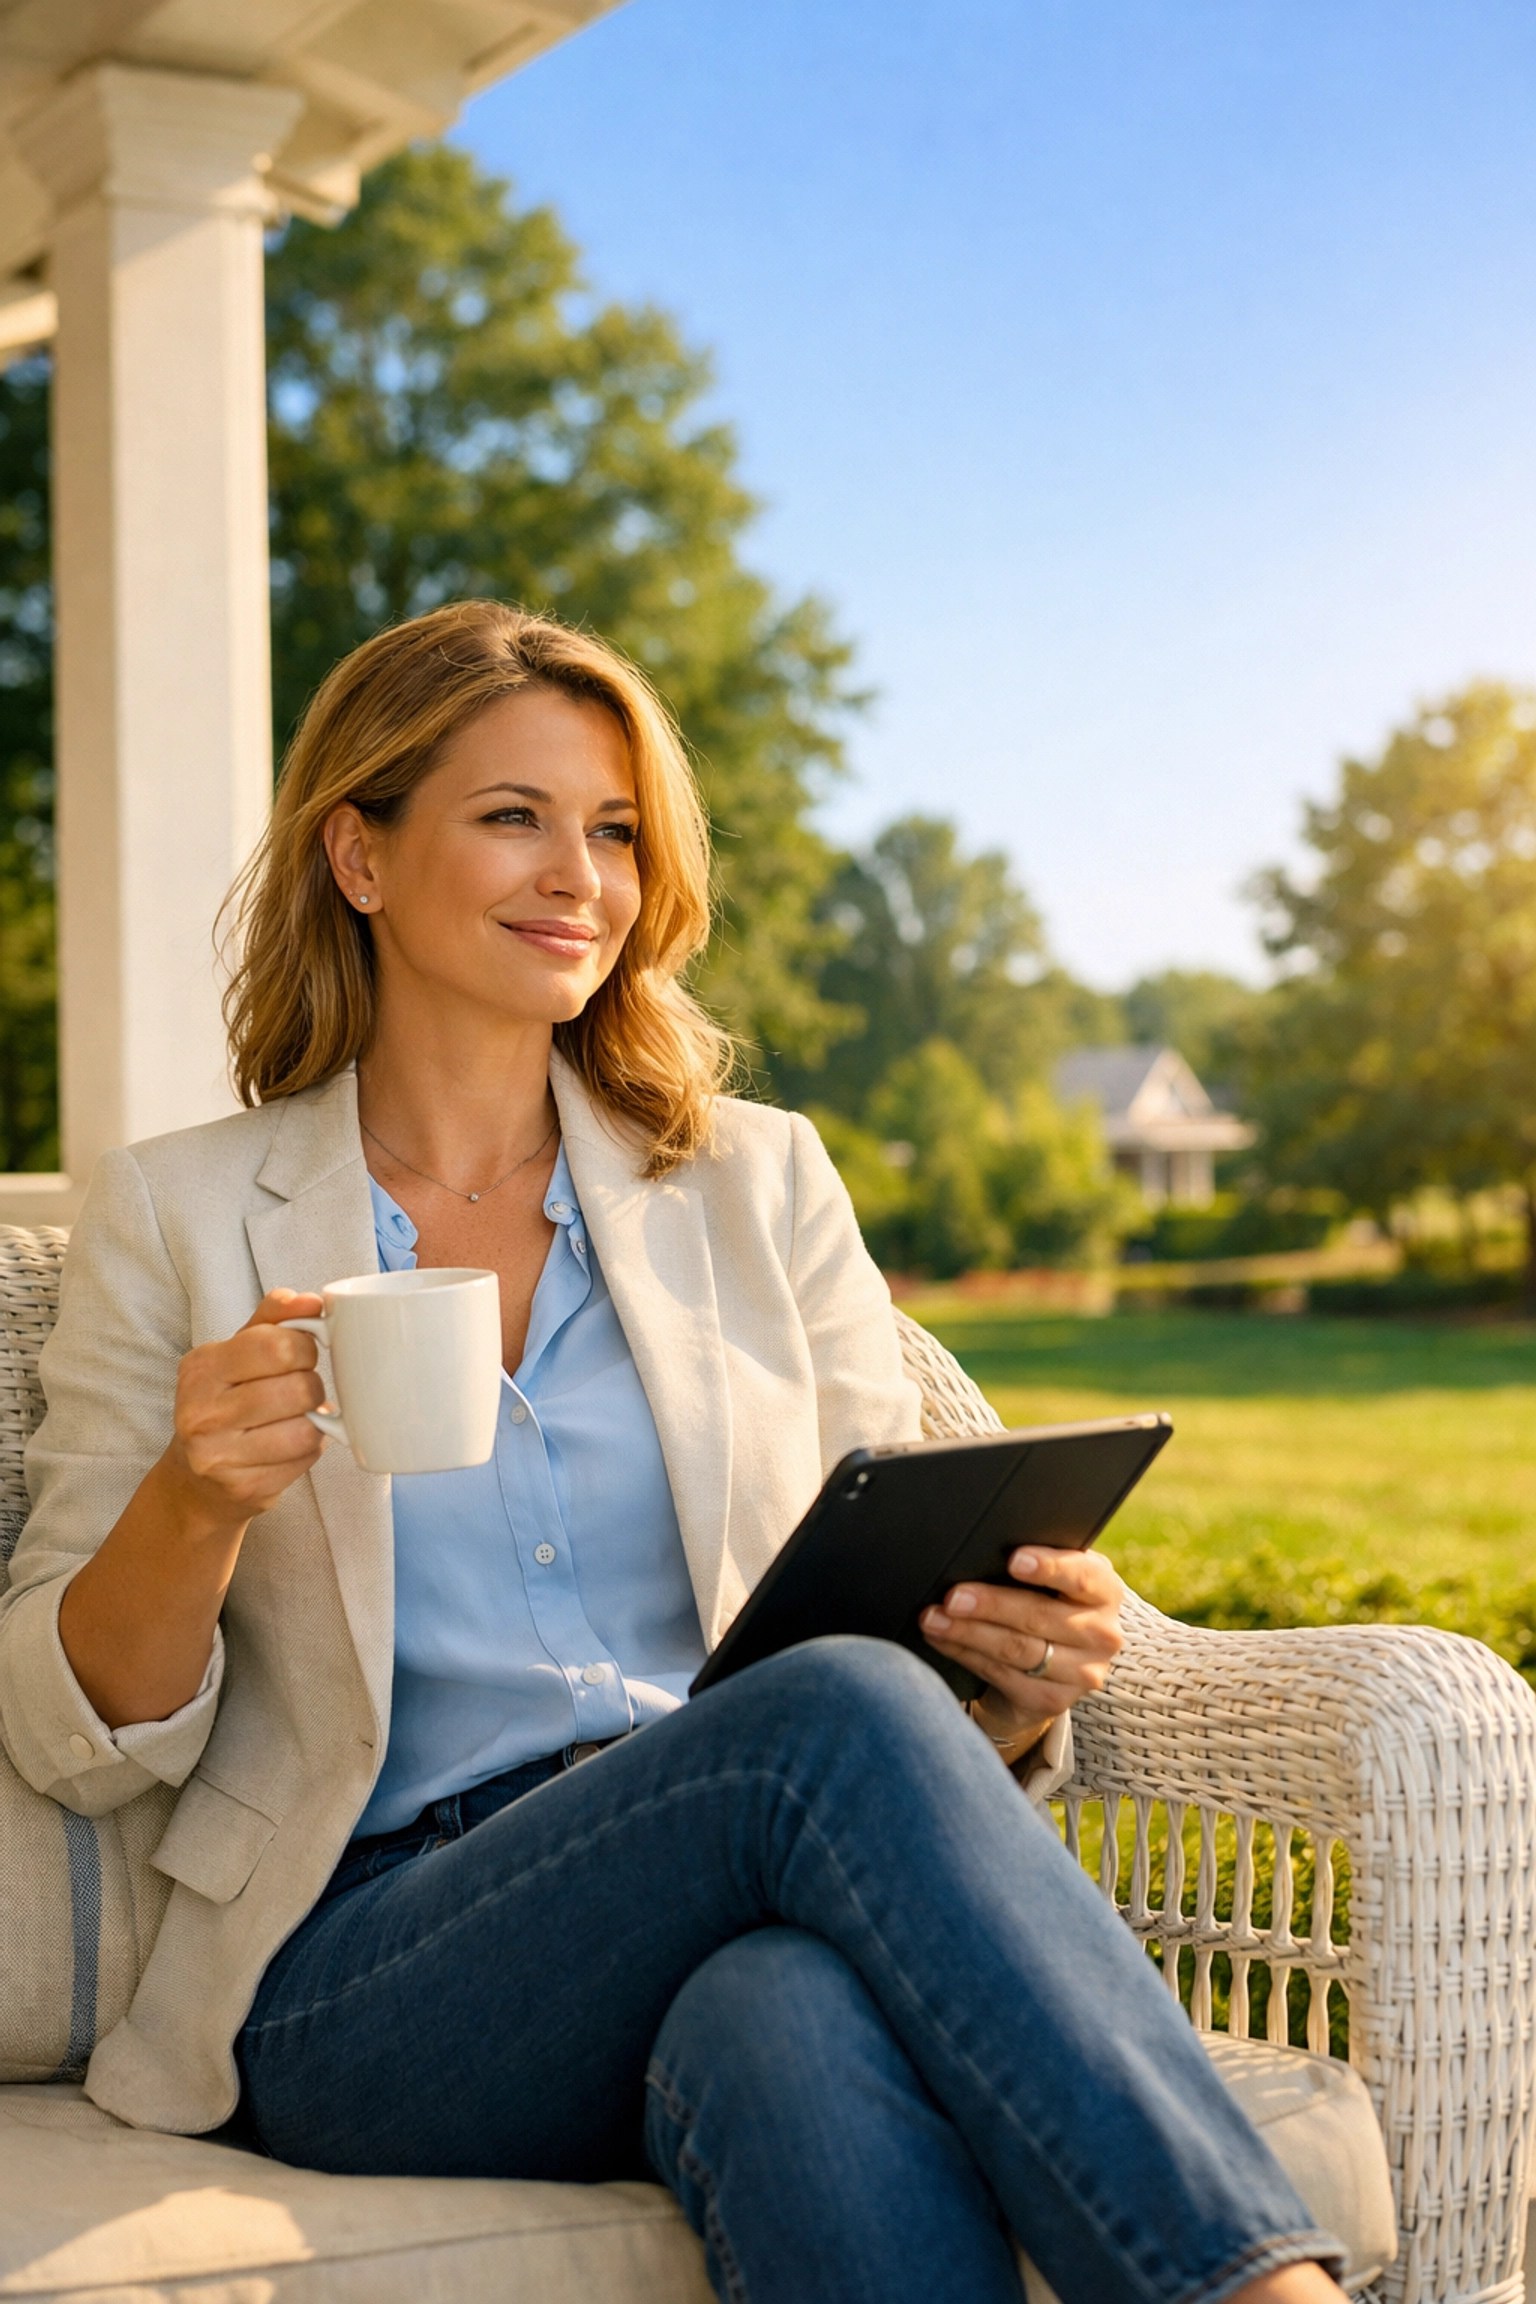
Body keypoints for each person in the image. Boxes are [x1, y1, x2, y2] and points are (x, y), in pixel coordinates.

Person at [0, 602, 1347, 2304]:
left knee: (776, 2017)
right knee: (820, 1724)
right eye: (513, 816)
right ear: (359, 853)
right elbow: (71, 1737)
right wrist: (197, 1498)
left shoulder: (759, 1184)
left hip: (728, 1877)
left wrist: (1012, 1678)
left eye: (617, 831)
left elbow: (878, 1618)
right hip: (364, 1966)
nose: (581, 873)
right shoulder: (181, 1214)